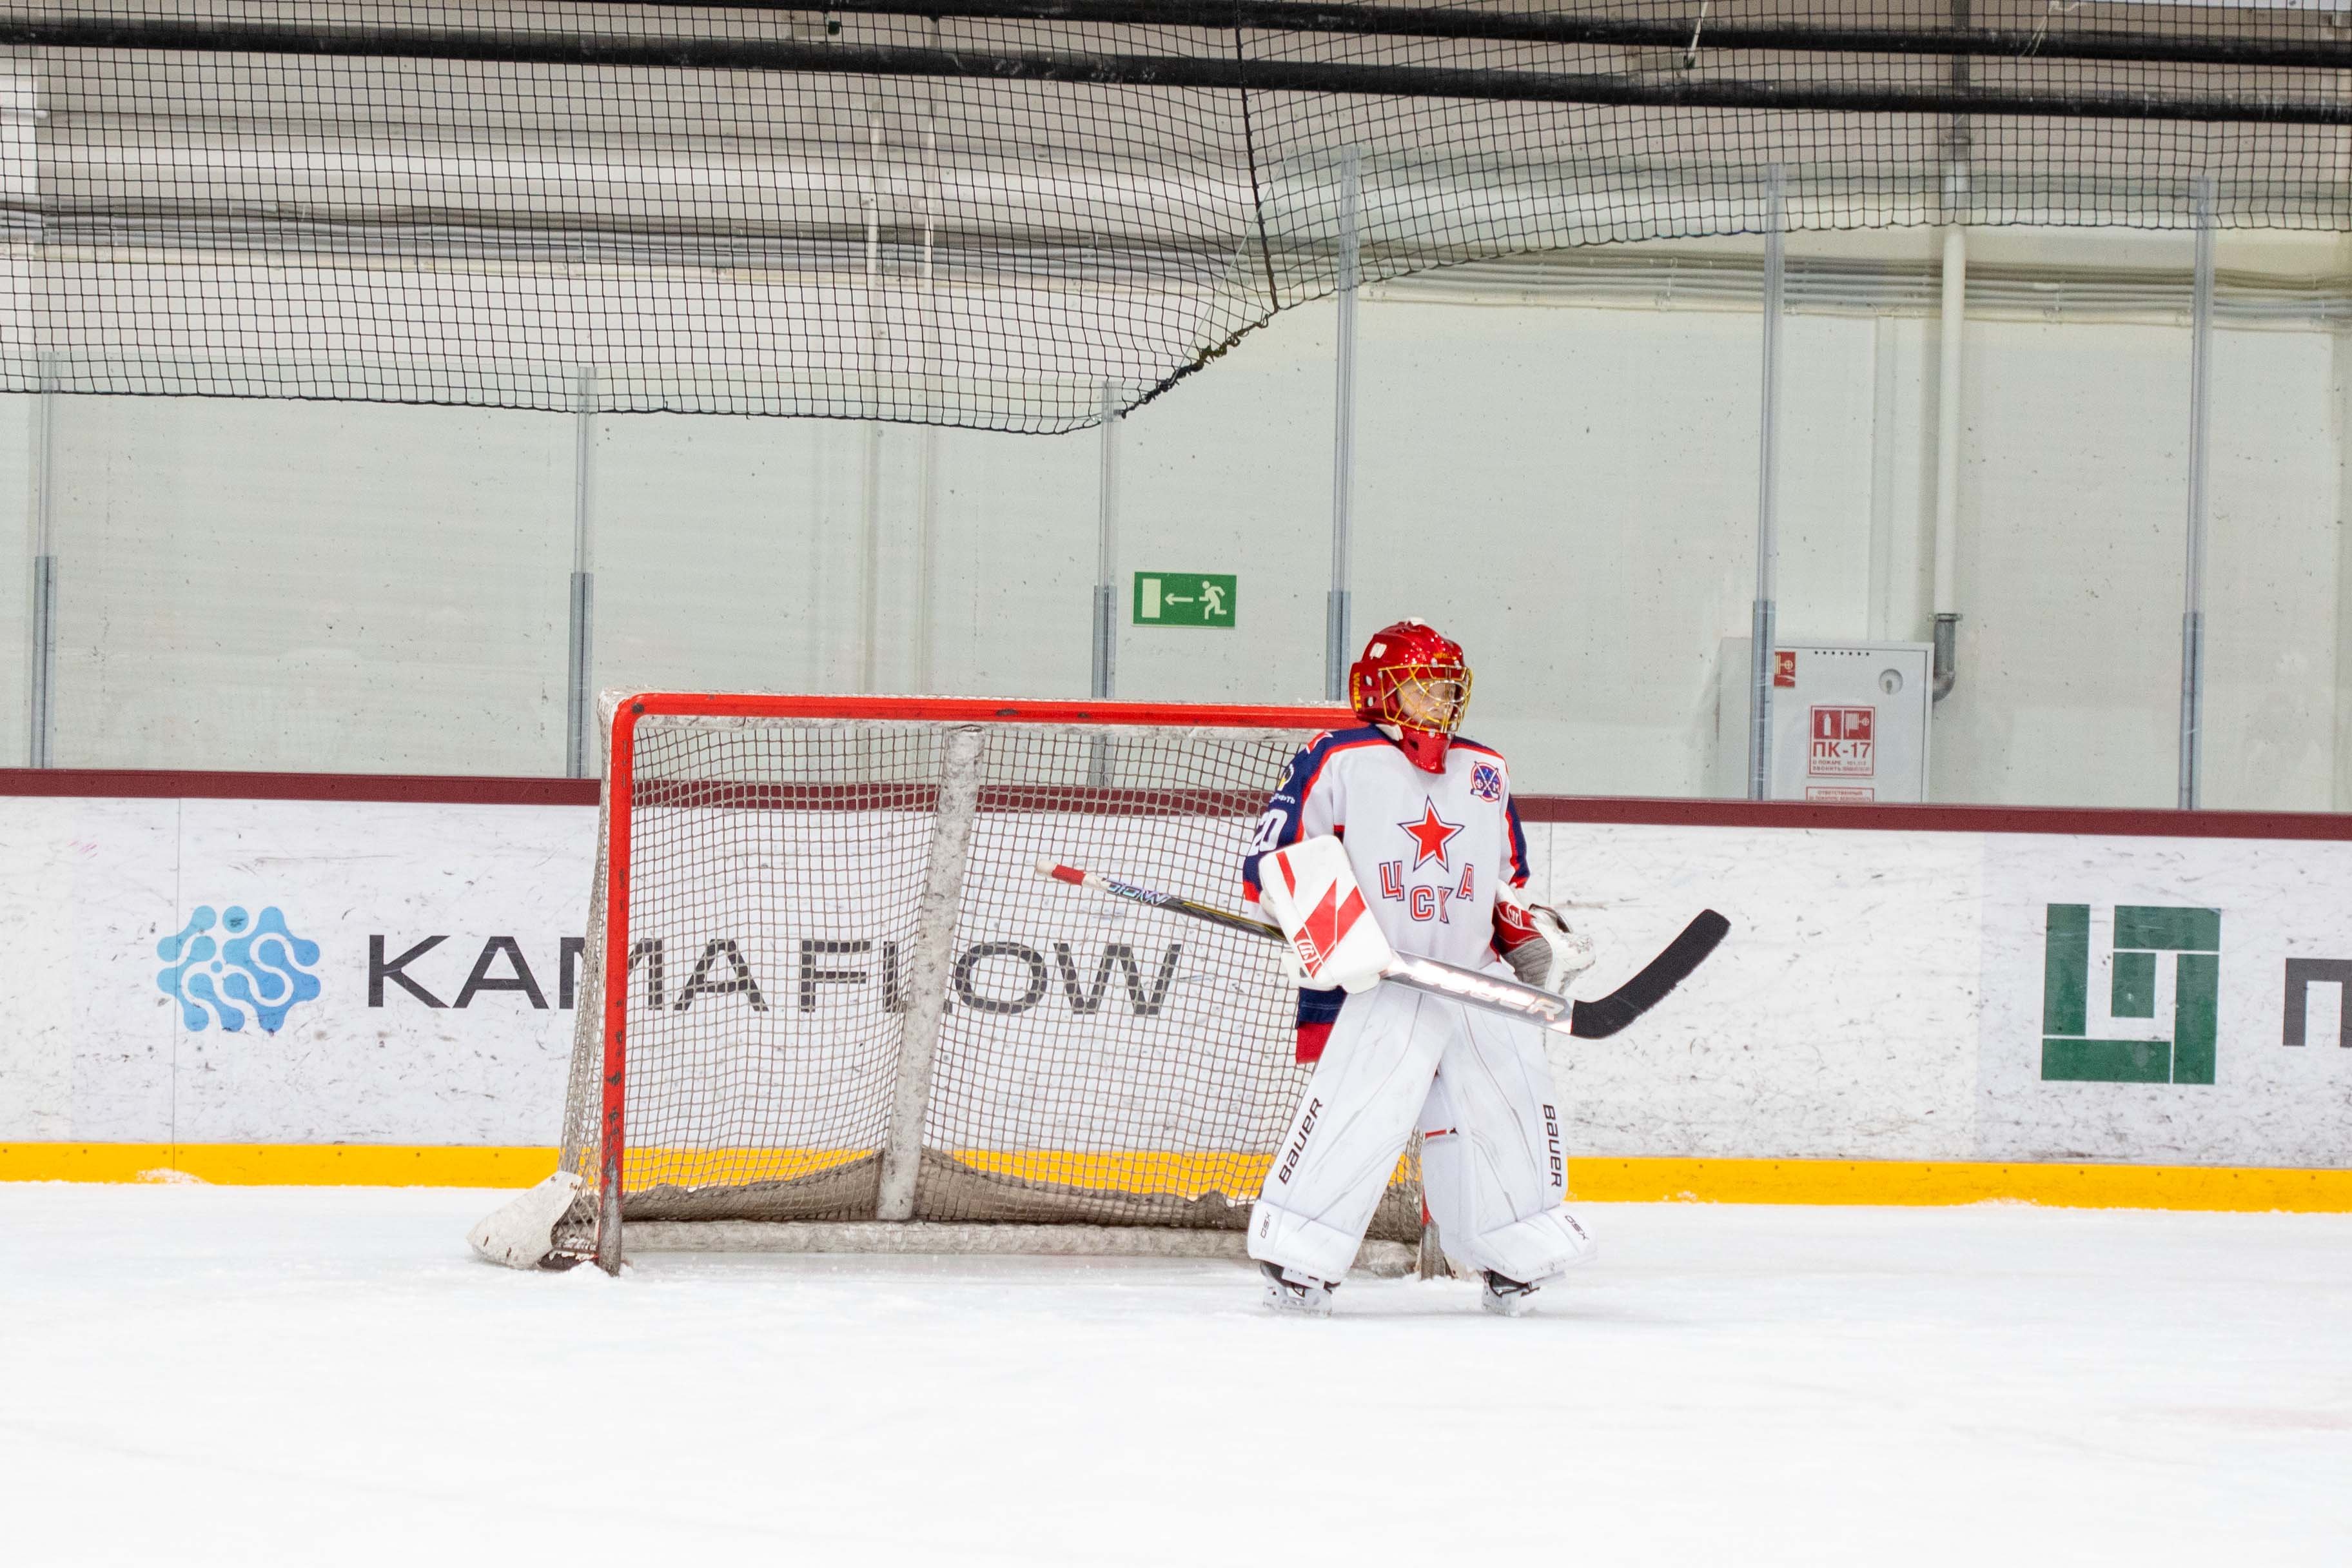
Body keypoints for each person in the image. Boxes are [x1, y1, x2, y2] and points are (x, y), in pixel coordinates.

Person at [1240, 618, 1598, 1317]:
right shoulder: (1337, 755)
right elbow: (1272, 859)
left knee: (1511, 1098)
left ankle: (1515, 1250)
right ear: (1381, 689)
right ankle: (1299, 1255)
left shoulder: (1485, 768)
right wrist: (1326, 926)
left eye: (1448, 687)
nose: (1440, 699)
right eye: (1424, 686)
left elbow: (1505, 878)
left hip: (1470, 978)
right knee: (1364, 1107)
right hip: (1382, 978)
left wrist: (1525, 931)